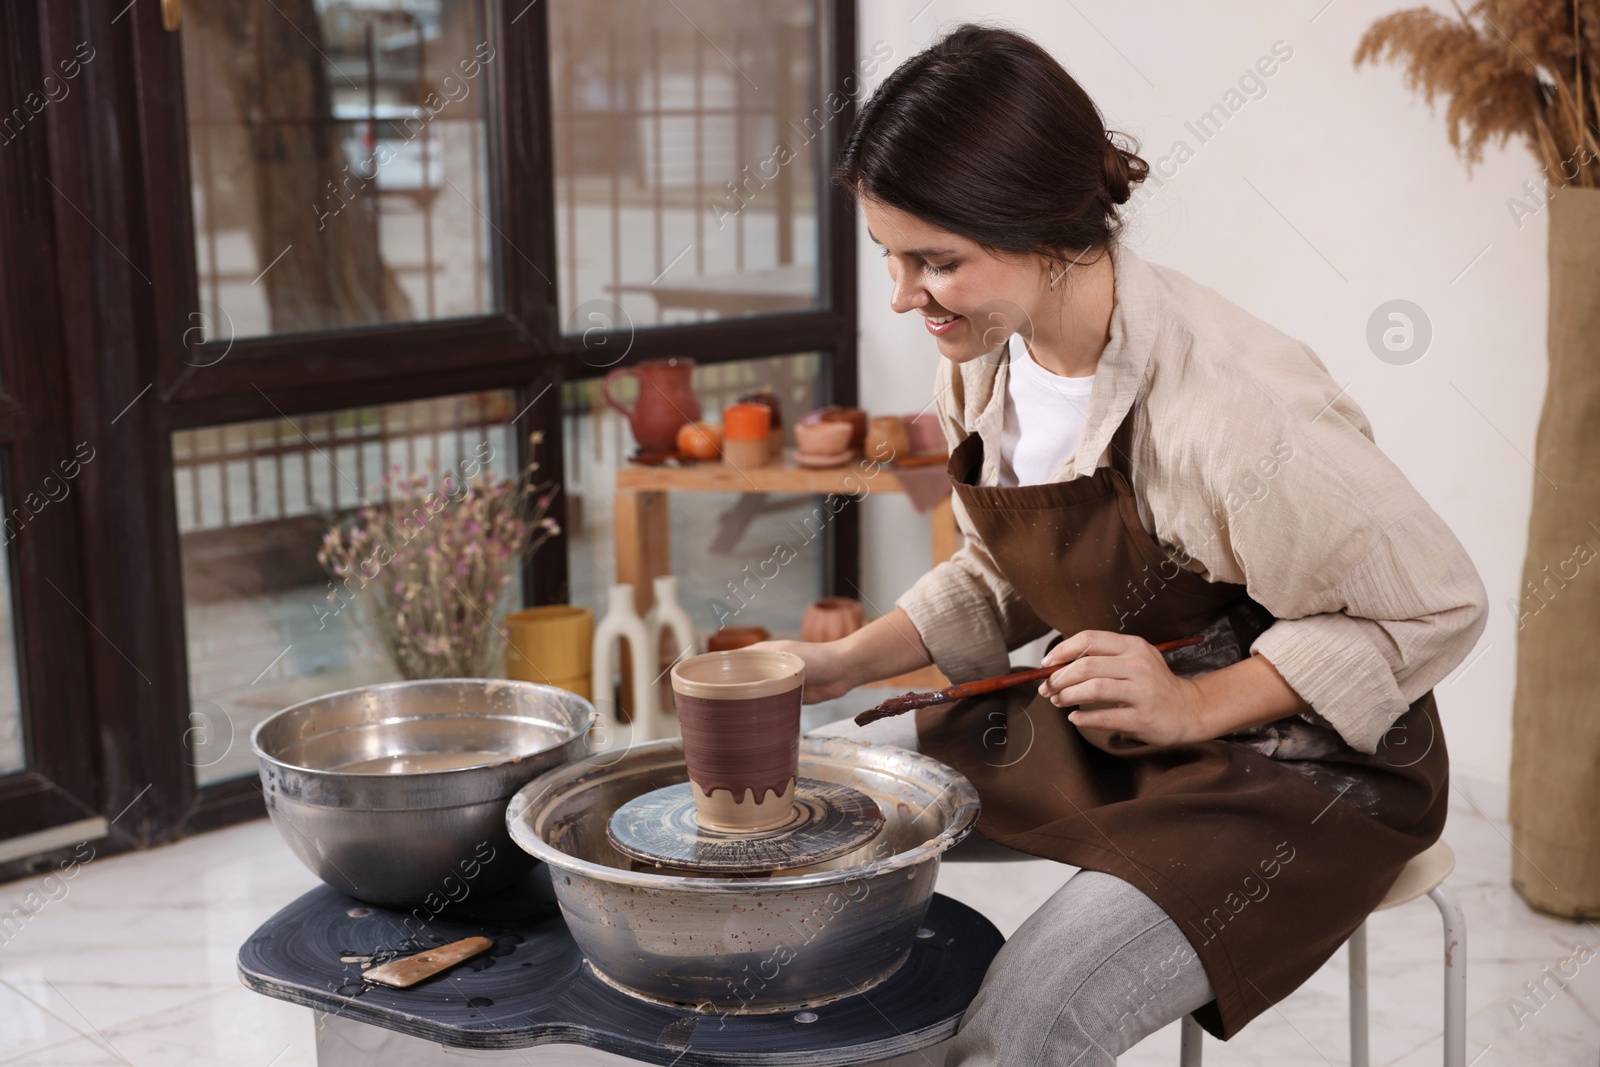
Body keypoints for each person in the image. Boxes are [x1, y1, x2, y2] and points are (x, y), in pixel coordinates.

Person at [764, 24, 1489, 1066]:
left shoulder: (1237, 410)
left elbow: (1433, 603)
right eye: (889, 253)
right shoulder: (983, 362)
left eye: (936, 260)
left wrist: (1193, 701)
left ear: (1048, 228)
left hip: (1313, 773)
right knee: (823, 801)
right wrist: (834, 665)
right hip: (1131, 720)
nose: (900, 295)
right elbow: (997, 571)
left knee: (1030, 1019)